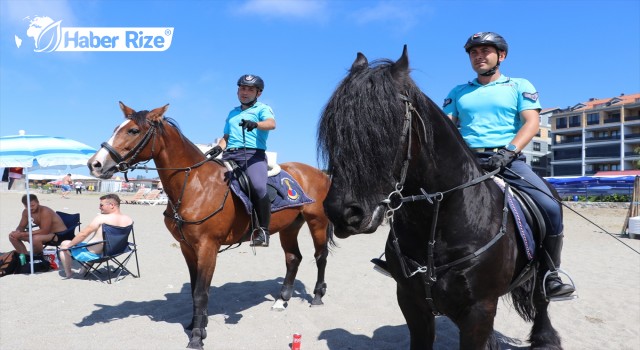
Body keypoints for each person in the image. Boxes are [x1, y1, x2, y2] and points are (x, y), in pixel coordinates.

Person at [442, 31, 575, 299]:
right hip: (466, 161)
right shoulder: (458, 91)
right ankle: (401, 258)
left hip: (506, 160)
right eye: (473, 53)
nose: (479, 56)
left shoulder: (518, 85)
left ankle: (550, 273)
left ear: (500, 56)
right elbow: (446, 127)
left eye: (485, 51)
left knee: (549, 205)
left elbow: (531, 123)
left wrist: (508, 151)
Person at [208, 74, 276, 247]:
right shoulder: (232, 112)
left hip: (252, 155)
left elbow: (271, 124)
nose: (245, 92)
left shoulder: (262, 108)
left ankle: (262, 231)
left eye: (250, 89)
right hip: (229, 155)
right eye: (242, 88)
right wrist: (219, 147)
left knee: (258, 186)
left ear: (258, 93)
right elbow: (226, 136)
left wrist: (256, 124)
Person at [58, 194, 133, 279]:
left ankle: (69, 274)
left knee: (64, 245)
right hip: (115, 251)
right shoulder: (129, 219)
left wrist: (69, 246)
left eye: (101, 205)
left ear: (112, 205)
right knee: (94, 243)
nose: (99, 207)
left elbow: (83, 234)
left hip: (97, 254)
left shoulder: (101, 218)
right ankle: (83, 271)